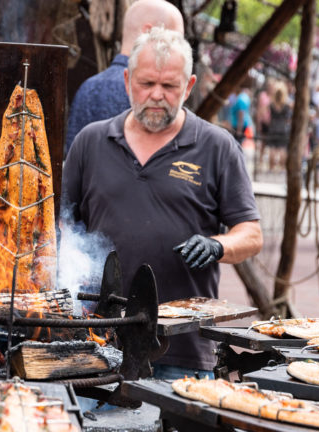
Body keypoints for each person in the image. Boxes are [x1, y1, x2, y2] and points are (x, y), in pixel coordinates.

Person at [63, 28, 262, 379]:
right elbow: (62, 223)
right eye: (146, 83)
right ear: (127, 80)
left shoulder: (217, 146)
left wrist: (217, 246)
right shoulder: (90, 142)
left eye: (169, 86)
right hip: (99, 342)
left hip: (184, 348)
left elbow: (251, 234)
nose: (157, 95)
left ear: (188, 86)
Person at [65, 0, 184, 154]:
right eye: (176, 40)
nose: (181, 49)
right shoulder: (145, 92)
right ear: (149, 32)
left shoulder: (88, 88)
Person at [265, 81, 292, 171]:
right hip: (283, 129)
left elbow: (266, 116)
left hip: (273, 128)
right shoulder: (287, 105)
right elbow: (288, 119)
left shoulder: (271, 105)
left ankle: (271, 168)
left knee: (272, 149)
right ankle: (282, 168)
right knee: (282, 149)